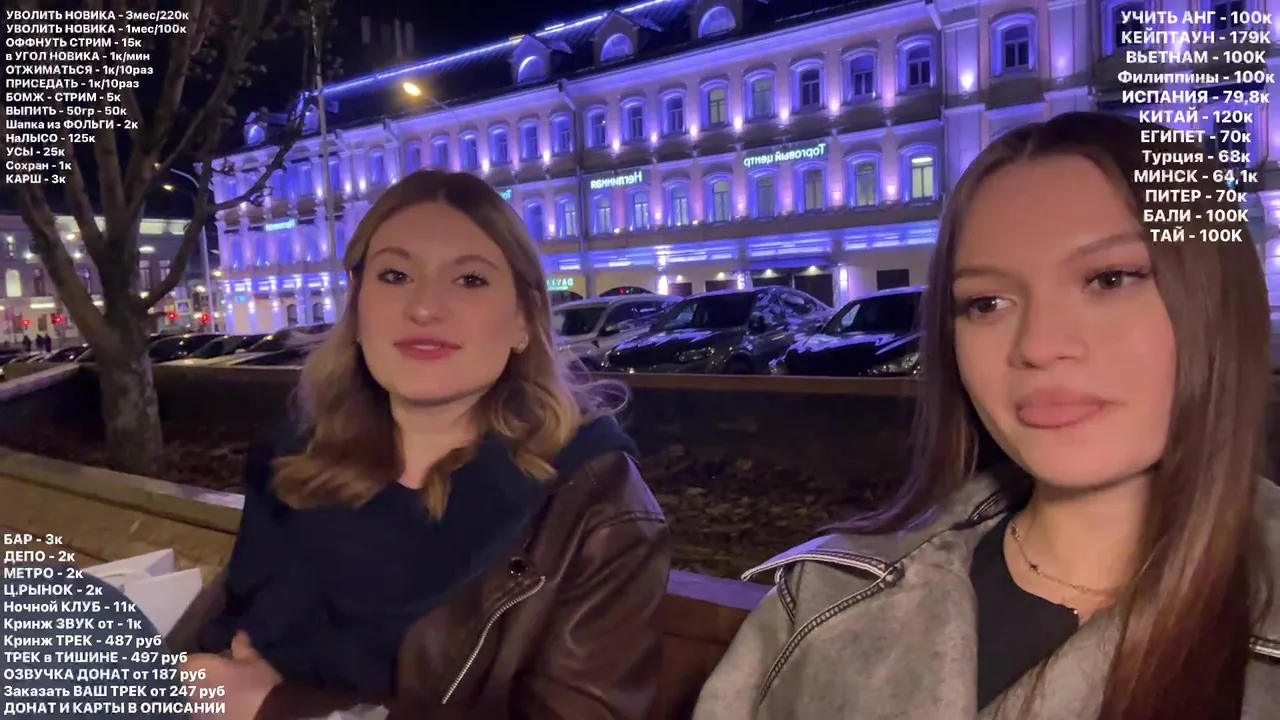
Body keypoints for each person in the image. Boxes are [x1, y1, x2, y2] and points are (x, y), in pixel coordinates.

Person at [693, 111, 1280, 719]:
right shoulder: (825, 595)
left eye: (1109, 279)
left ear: (1216, 296)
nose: (1038, 344)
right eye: (987, 303)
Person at [170, 170, 671, 719]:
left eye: (470, 280)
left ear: (523, 321)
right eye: (395, 275)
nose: (425, 307)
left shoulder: (595, 504)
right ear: (358, 309)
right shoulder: (295, 456)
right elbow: (223, 640)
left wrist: (282, 709)